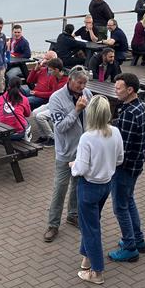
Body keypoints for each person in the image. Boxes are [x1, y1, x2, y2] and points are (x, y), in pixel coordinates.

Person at [72, 95, 124, 285]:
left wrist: (73, 165)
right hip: (106, 185)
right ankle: (86, 257)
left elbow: (81, 169)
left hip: (88, 187)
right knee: (92, 223)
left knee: (90, 229)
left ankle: (97, 271)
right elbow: (119, 160)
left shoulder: (87, 138)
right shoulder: (115, 132)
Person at [43, 67, 93, 243]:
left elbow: (91, 118)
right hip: (65, 152)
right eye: (80, 83)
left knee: (78, 184)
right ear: (70, 80)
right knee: (60, 187)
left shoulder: (87, 92)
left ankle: (73, 215)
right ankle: (53, 224)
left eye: (85, 83)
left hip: (84, 150)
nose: (83, 86)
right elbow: (61, 127)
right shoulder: (56, 98)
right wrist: (77, 110)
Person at [107, 73, 145, 263]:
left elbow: (121, 148)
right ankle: (138, 239)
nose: (115, 91)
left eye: (118, 88)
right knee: (129, 201)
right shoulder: (138, 106)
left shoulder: (129, 114)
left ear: (130, 90)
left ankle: (130, 246)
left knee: (120, 207)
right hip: (136, 165)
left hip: (125, 168)